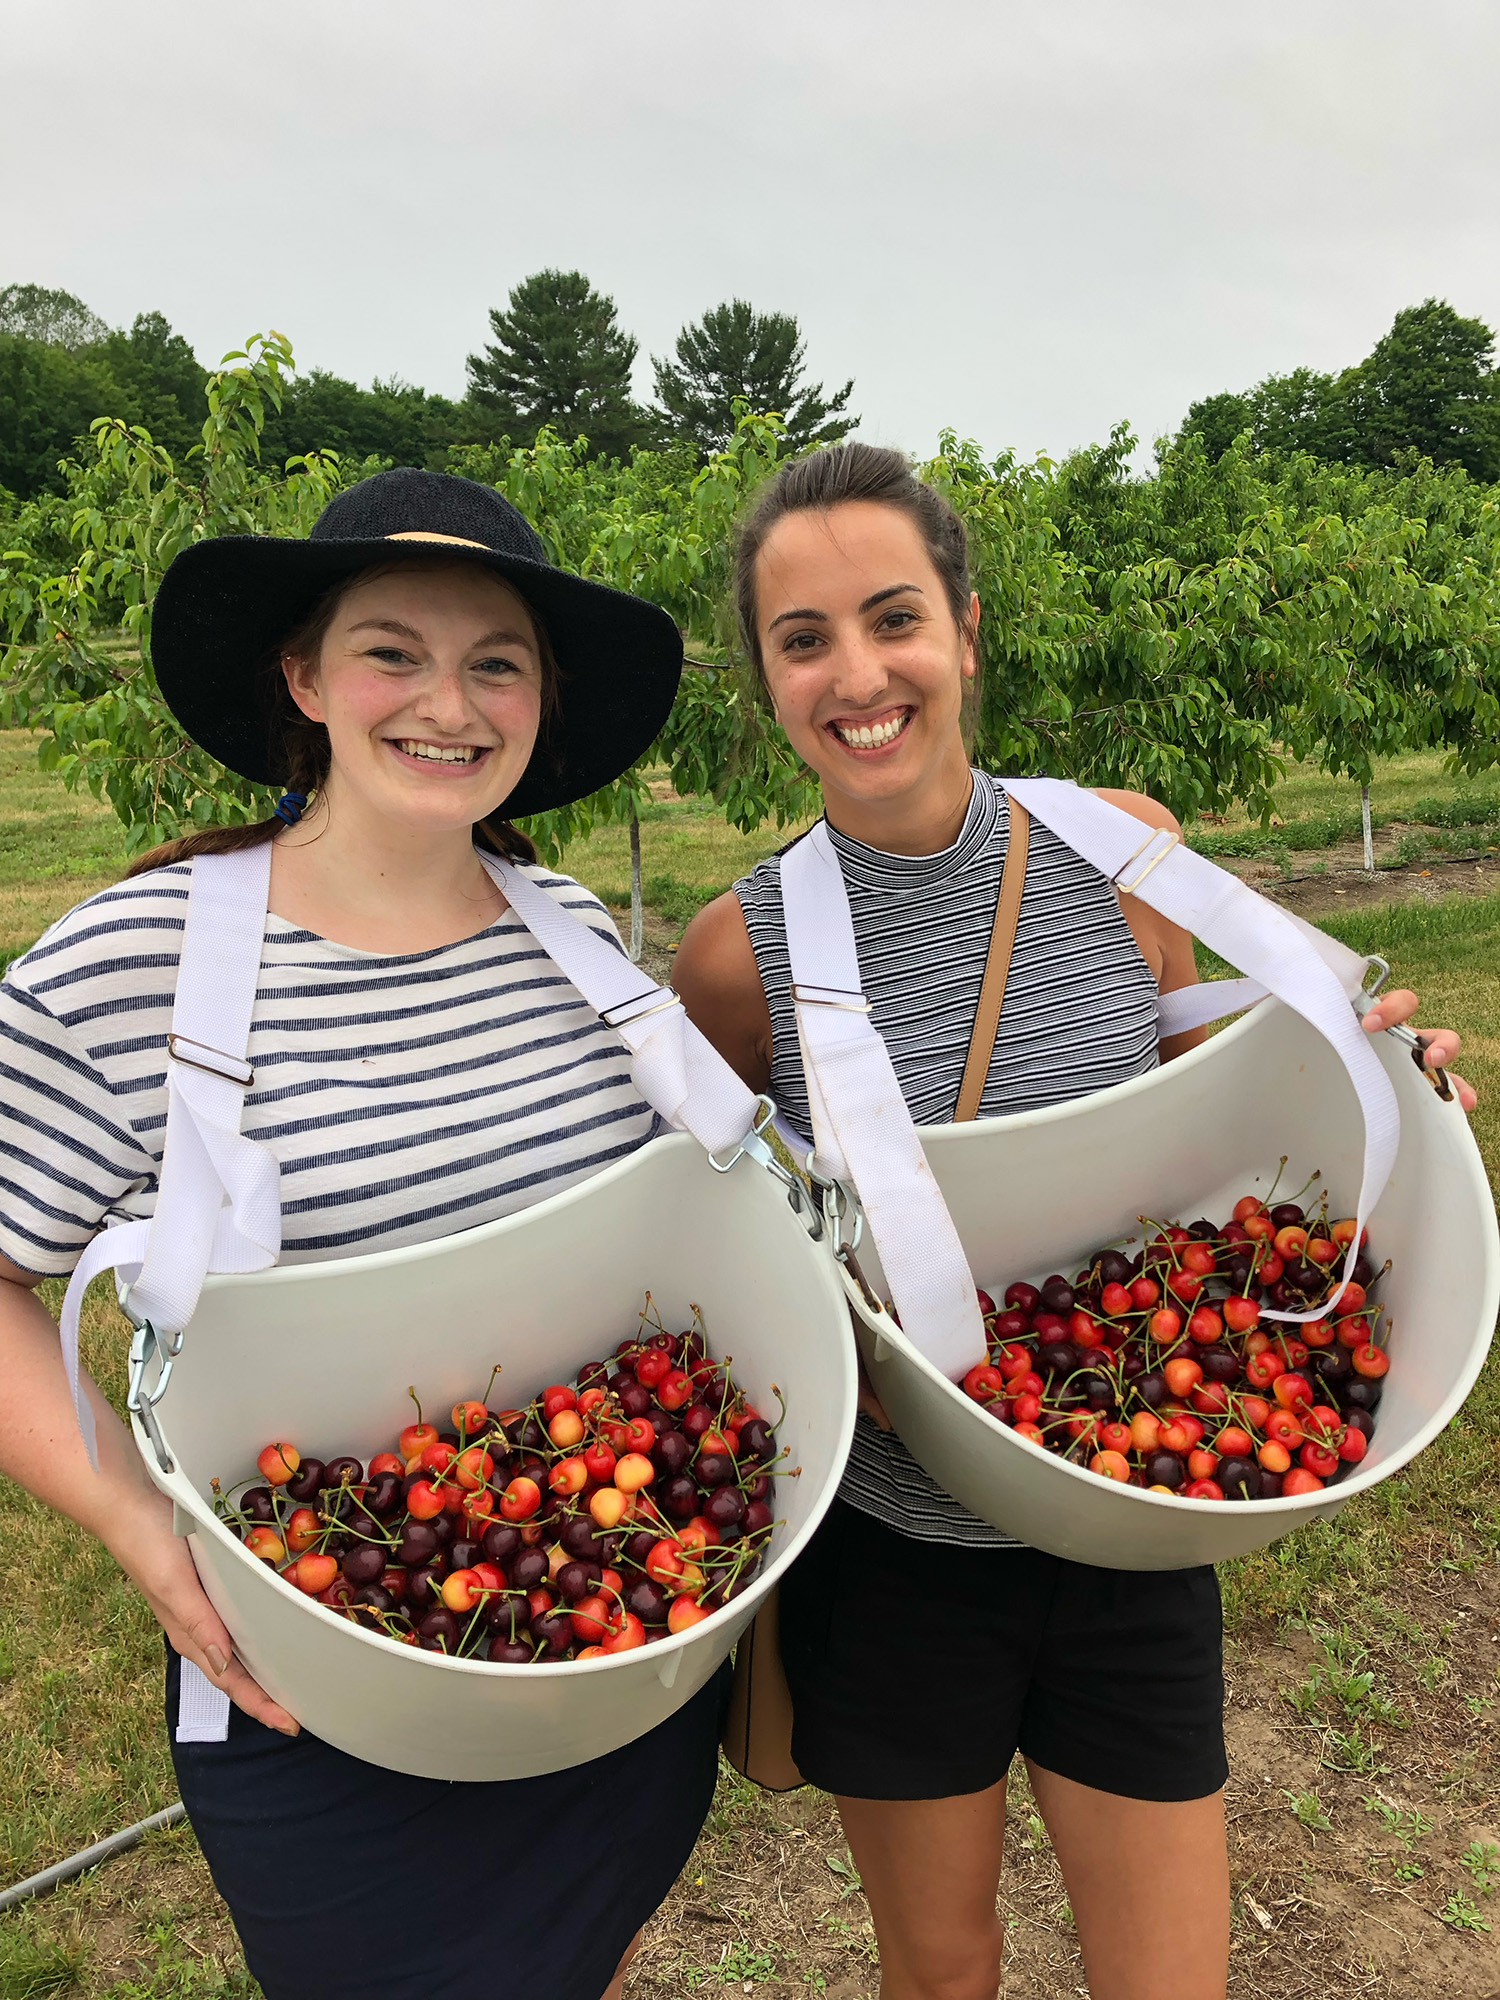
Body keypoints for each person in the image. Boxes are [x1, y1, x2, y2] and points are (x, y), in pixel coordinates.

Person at [672, 442, 1473, 2000]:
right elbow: (728, 1238)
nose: (860, 674)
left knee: (1170, 1976)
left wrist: (1377, 1075)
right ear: (764, 678)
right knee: (942, 1970)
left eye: (895, 618)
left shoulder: (1121, 848)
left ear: (967, 630)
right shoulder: (735, 953)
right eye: (805, 638)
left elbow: (1213, 1116)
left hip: (1129, 1518)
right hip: (902, 1546)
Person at [0, 469, 723, 2000]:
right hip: (322, 1697)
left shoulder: (571, 937)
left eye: (498, 662)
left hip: (606, 1653)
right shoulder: (142, 966)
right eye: (393, 649)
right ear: (303, 675)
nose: (446, 703)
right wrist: (135, 1521)